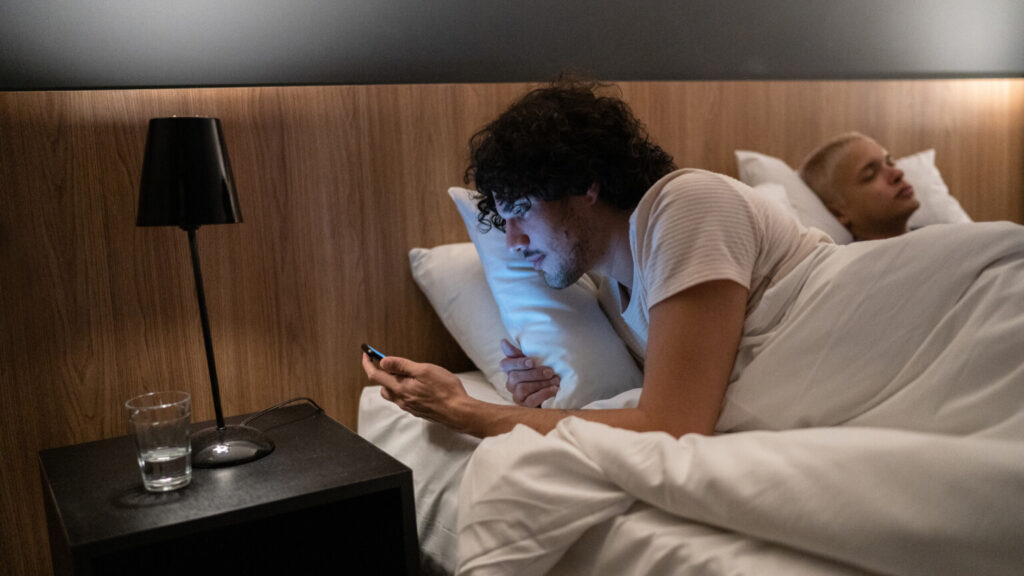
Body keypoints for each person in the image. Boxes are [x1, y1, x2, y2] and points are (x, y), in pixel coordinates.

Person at [362, 78, 835, 438]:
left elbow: (673, 425)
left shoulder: (687, 203)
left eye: (522, 210)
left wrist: (467, 411)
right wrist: (539, 401)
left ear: (586, 182)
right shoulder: (612, 292)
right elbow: (663, 403)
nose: (513, 242)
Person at [798, 132, 920, 241]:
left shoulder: (933, 238)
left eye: (890, 163)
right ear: (838, 213)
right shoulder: (861, 265)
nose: (898, 173)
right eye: (871, 175)